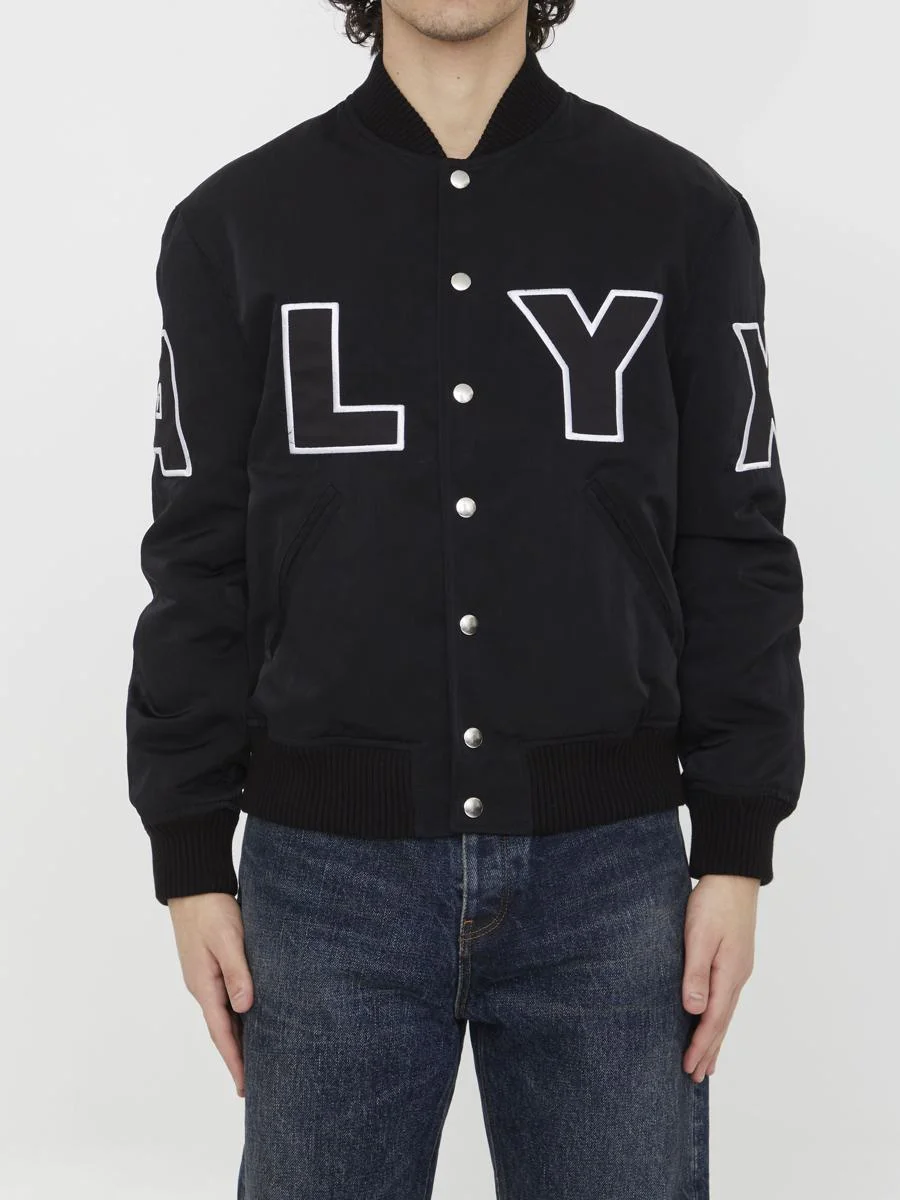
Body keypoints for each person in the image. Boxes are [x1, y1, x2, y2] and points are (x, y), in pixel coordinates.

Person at [125, 1, 805, 1196]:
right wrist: (188, 855)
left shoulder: (683, 216)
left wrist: (736, 849)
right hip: (323, 886)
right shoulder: (234, 227)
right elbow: (197, 560)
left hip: (611, 886)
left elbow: (735, 544)